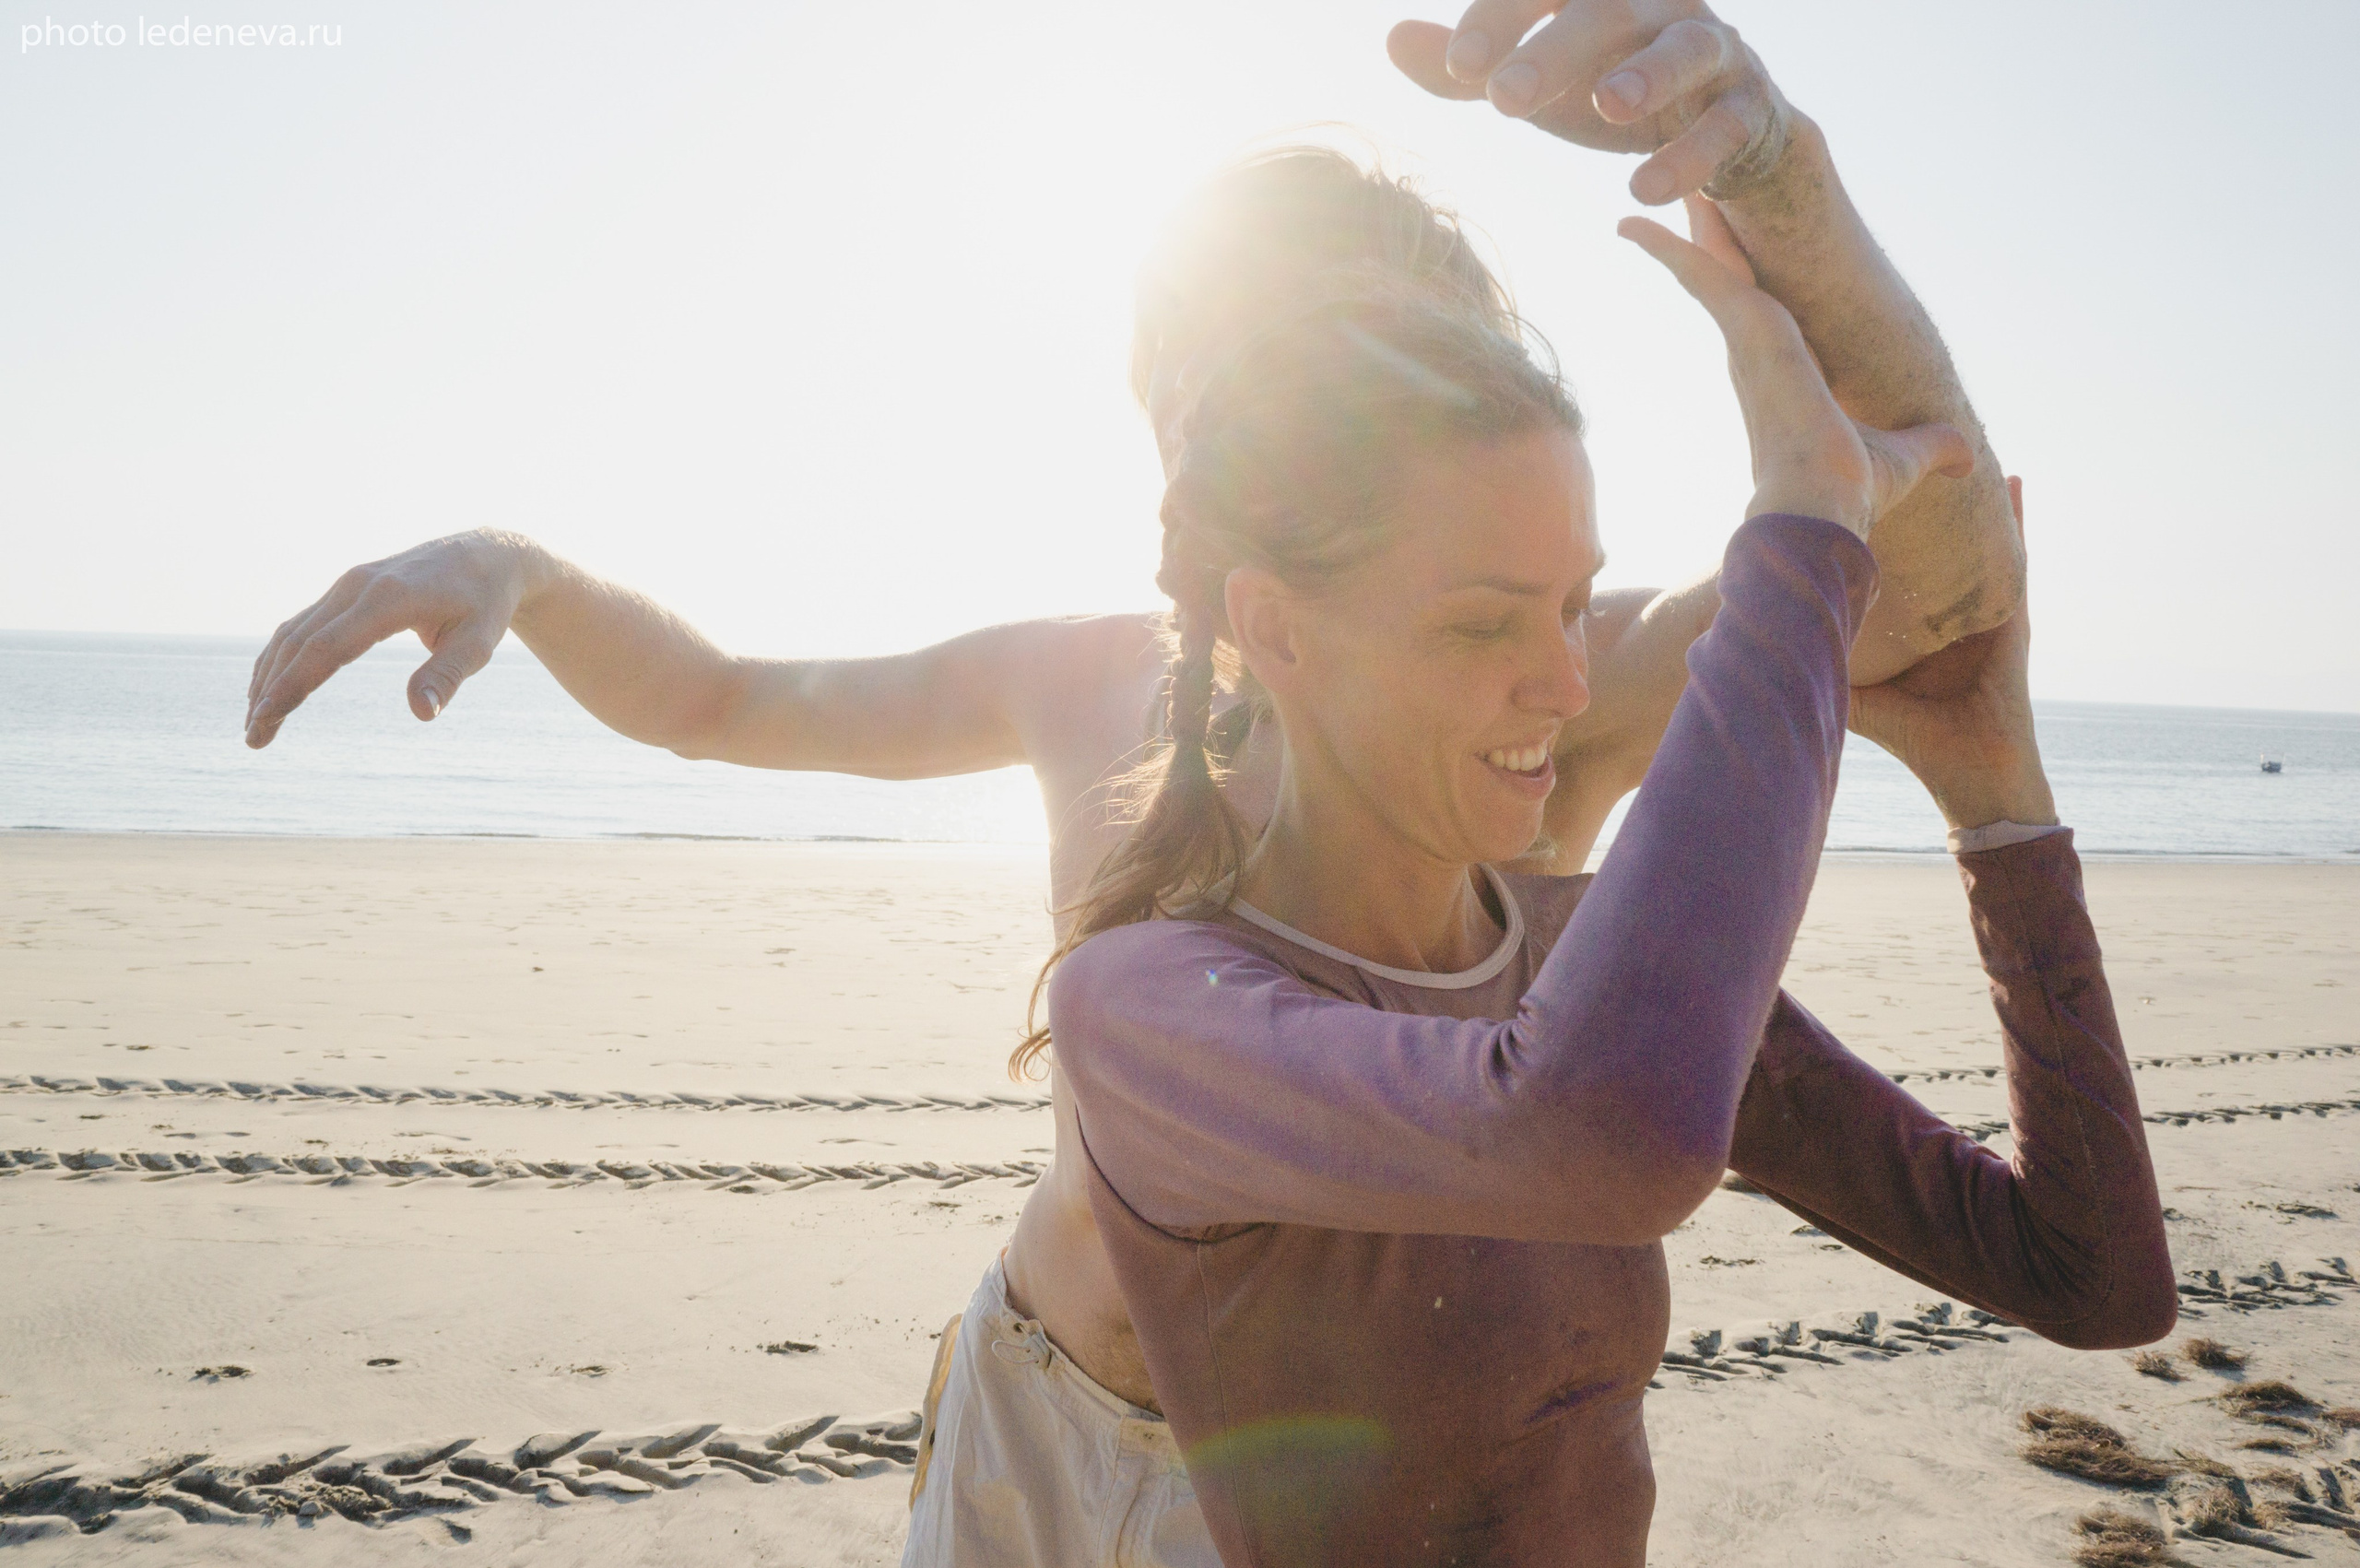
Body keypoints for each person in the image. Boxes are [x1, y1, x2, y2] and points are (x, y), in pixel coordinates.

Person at [238, 5, 2048, 1557]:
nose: (1247, 390)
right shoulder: (1088, 671)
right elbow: (719, 695)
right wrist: (523, 567)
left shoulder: (1524, 676)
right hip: (1024, 1392)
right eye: (1202, 358)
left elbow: (1936, 548)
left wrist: (1773, 177)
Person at [1029, 218, 2172, 1563]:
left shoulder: (1581, 959)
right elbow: (1606, 1131)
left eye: (1574, 606)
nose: (1568, 685)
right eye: (1481, 623)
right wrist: (1801, 542)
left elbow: (2092, 1276)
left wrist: (1999, 803)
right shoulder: (1150, 1014)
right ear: (1277, 628)